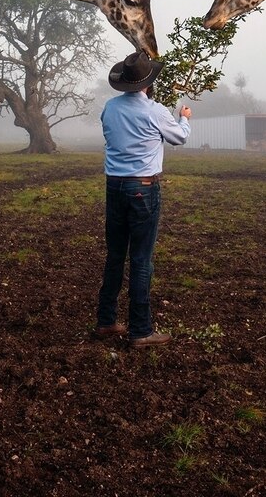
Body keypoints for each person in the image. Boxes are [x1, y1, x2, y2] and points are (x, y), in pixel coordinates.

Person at [94, 50, 191, 348]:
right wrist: (183, 118)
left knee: (115, 255)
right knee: (140, 259)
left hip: (115, 187)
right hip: (143, 189)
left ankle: (107, 320)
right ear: (147, 83)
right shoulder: (156, 111)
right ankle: (140, 330)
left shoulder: (109, 108)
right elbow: (180, 138)